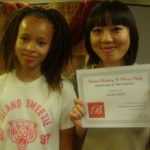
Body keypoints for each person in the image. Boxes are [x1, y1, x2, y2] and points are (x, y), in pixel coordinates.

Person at [70, 1, 150, 150]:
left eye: (116, 29)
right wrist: (80, 129)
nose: (106, 39)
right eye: (97, 31)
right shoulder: (75, 83)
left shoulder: (147, 81)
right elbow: (68, 142)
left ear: (130, 33)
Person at [0, 5, 76, 150]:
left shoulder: (64, 90)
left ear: (51, 47)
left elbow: (66, 145)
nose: (30, 48)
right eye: (24, 38)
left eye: (41, 43)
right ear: (14, 39)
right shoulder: (1, 85)